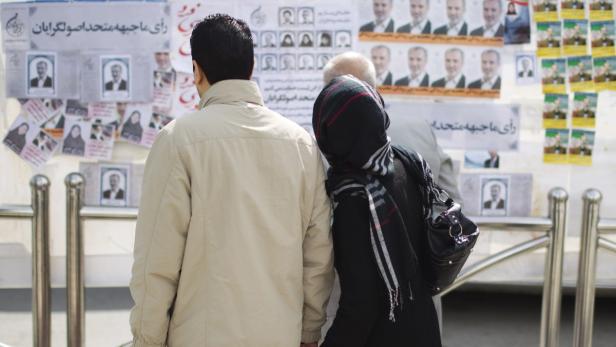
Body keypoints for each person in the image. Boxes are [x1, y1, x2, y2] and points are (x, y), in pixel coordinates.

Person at [129, 14, 334, 347]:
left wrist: (146, 339)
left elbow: (157, 259)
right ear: (251, 67)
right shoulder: (301, 144)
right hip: (279, 333)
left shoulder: (178, 140)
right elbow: (318, 253)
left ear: (196, 70)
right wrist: (310, 330)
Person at [322, 51, 462, 340]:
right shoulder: (414, 142)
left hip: (358, 320)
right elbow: (449, 203)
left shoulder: (328, 154)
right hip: (420, 306)